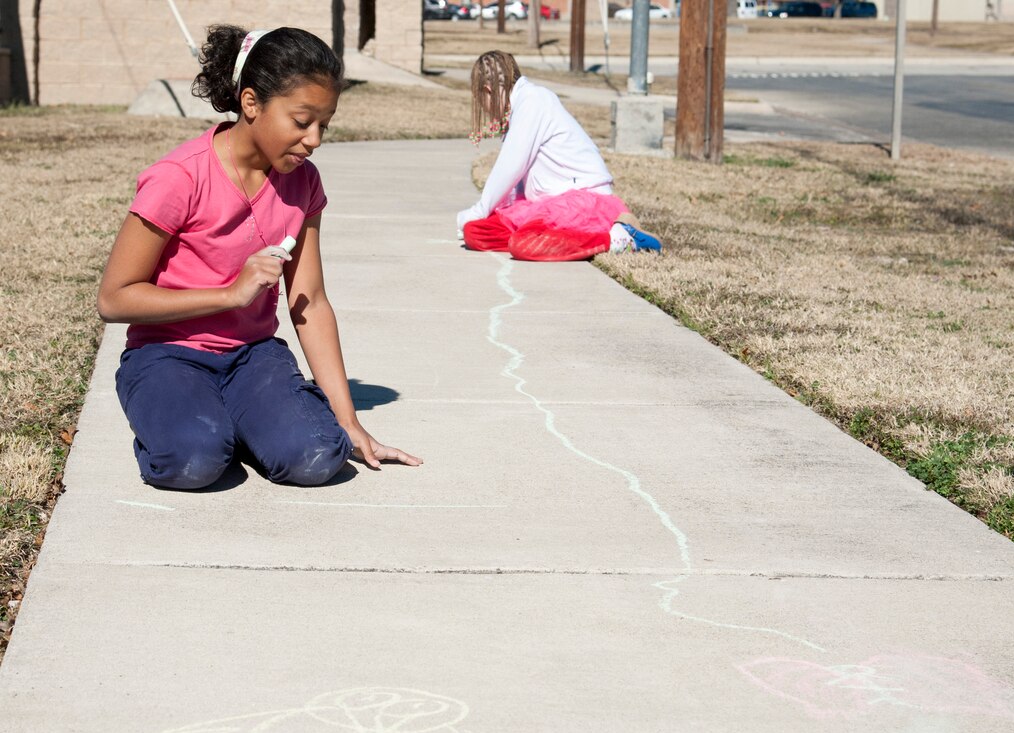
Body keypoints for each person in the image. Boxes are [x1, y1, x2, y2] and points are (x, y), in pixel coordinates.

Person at [98, 25, 421, 490]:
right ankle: (192, 426)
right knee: (194, 463)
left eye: (323, 124)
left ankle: (246, 425)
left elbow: (310, 301)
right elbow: (114, 299)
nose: (314, 140)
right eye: (302, 120)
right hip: (167, 356)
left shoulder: (304, 184)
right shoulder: (178, 178)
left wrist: (349, 421)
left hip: (252, 357)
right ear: (251, 103)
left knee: (317, 457)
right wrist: (230, 295)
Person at [457, 50, 661, 262]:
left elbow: (510, 167)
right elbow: (515, 186)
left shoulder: (533, 100)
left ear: (487, 91)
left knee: (524, 244)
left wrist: (480, 210)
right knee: (476, 233)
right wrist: (482, 217)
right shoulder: (521, 104)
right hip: (547, 207)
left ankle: (621, 238)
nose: (486, 111)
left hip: (584, 203)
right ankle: (546, 237)